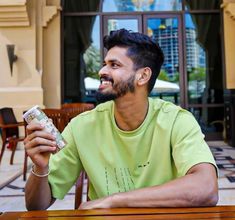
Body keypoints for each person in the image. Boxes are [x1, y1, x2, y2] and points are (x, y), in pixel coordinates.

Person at [24, 29, 218, 210]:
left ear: (143, 75)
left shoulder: (176, 120)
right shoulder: (82, 126)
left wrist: (116, 200)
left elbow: (206, 188)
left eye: (114, 65)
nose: (102, 71)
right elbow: (36, 207)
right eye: (104, 64)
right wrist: (40, 168)